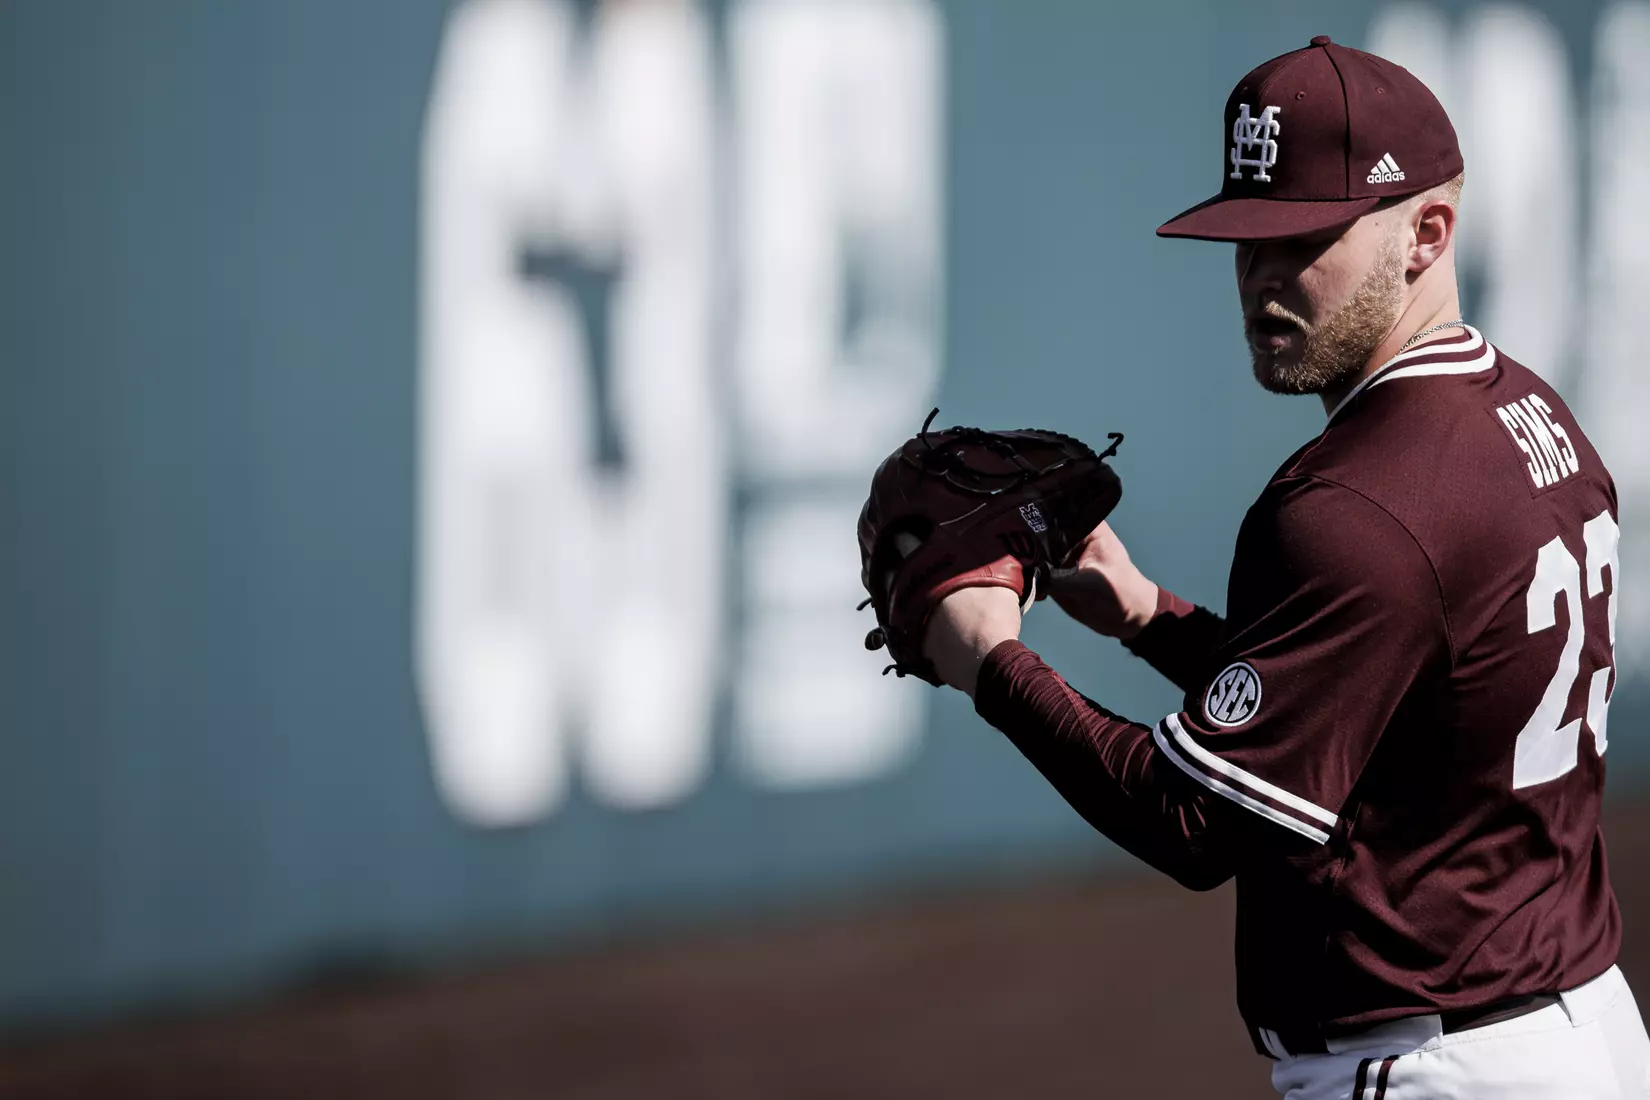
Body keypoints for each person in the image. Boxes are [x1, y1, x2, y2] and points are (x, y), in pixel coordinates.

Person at [921, 35, 1650, 1099]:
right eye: (1246, 239)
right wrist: (1145, 616)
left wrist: (989, 660)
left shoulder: (1356, 501)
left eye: (1305, 238)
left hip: (1443, 1063)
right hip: (1571, 1023)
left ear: (1427, 232)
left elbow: (1190, 819)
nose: (1264, 276)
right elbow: (1375, 714)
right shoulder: (1530, 412)